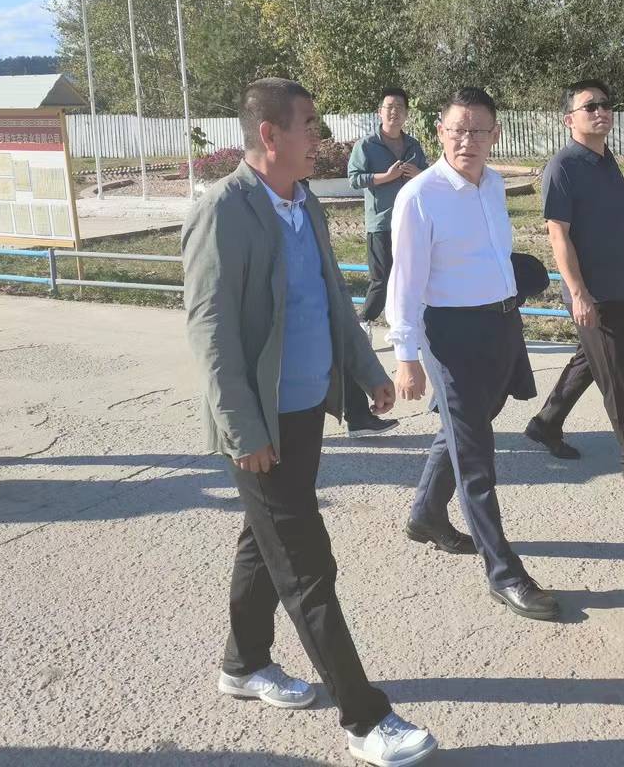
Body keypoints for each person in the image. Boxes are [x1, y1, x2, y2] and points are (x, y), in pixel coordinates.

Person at [182, 78, 437, 767]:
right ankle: (365, 719)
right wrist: (243, 432)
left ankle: (243, 663)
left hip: (304, 412)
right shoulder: (223, 211)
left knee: (261, 539)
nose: (319, 139)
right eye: (309, 125)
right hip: (259, 421)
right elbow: (210, 335)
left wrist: (367, 370)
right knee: (305, 563)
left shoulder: (304, 204)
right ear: (270, 134)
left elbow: (331, 298)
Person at [388, 87, 561, 622]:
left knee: (467, 429)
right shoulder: (419, 196)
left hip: (501, 324)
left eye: (478, 130)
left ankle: (425, 514)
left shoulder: (492, 185)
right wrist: (406, 356)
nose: (467, 140)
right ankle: (504, 573)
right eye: (457, 130)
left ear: (495, 135)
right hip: (451, 337)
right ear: (440, 133)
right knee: (477, 458)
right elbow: (404, 282)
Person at [523, 81, 624, 497]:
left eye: (605, 104)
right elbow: (558, 235)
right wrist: (578, 293)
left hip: (618, 286)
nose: (601, 111)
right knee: (618, 373)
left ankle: (546, 423)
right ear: (569, 119)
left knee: (590, 361)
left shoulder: (606, 159)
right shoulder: (563, 167)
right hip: (592, 294)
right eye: (590, 107)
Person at [342, 88, 427, 438]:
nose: (394, 113)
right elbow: (354, 179)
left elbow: (426, 176)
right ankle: (365, 321)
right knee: (382, 278)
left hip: (411, 223)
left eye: (400, 108)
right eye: (389, 107)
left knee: (411, 279)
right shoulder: (367, 145)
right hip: (380, 223)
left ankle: (410, 330)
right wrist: (386, 177)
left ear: (406, 113)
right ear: (380, 112)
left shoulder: (413, 144)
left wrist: (414, 172)